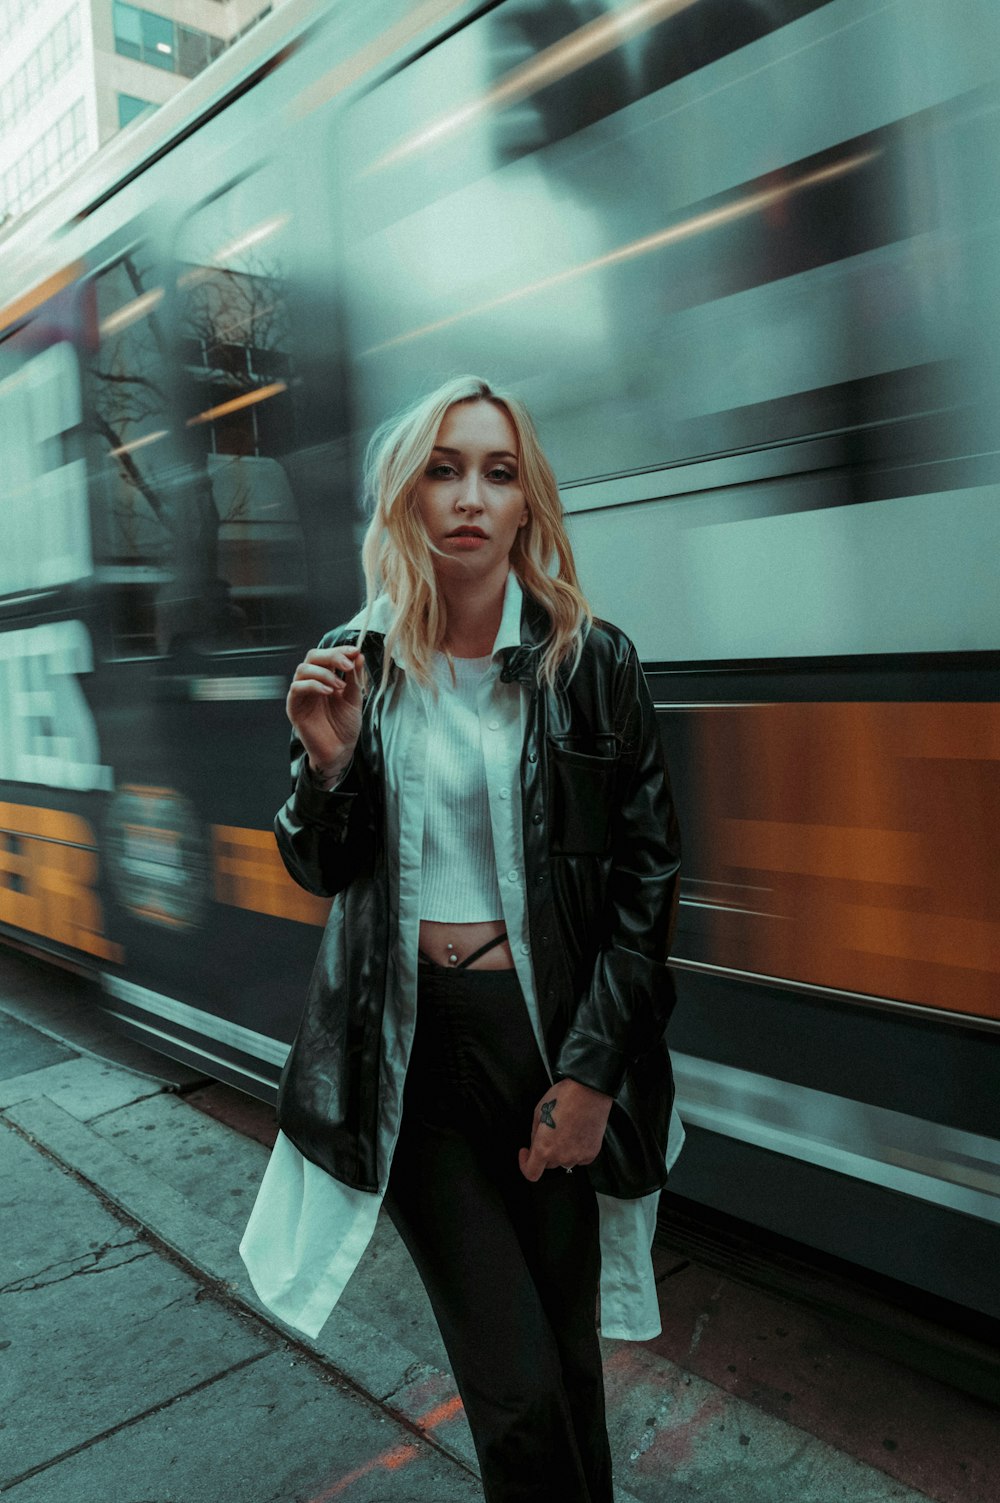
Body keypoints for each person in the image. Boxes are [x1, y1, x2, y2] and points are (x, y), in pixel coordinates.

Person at [240, 376, 683, 1503]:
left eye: (495, 471)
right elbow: (321, 869)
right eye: (442, 469)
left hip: (545, 1041)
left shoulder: (596, 668)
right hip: (413, 1057)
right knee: (516, 1390)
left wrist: (589, 1075)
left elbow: (646, 889)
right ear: (407, 498)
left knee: (568, 1365)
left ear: (526, 503)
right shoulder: (357, 664)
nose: (470, 496)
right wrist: (328, 763)